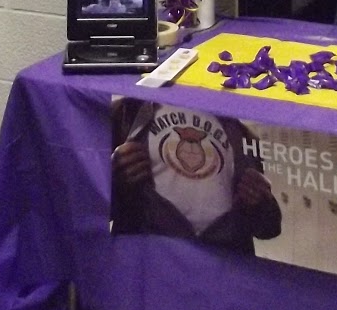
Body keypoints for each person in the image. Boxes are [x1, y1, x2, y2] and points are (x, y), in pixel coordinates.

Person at [110, 99, 282, 254]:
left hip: (220, 274)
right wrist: (112, 181)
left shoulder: (243, 135)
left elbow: (268, 229)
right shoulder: (125, 114)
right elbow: (89, 214)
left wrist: (261, 204)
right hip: (148, 269)